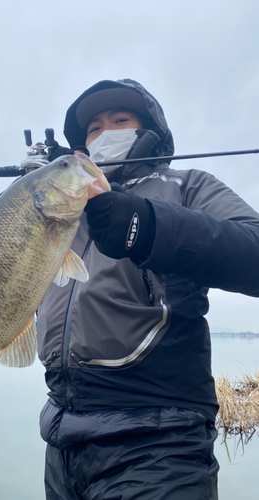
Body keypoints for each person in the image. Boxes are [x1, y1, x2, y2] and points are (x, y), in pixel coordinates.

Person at [36, 79, 259, 500]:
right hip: (62, 438)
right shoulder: (63, 210)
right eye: (94, 128)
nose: (106, 133)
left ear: (150, 130)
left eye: (121, 120)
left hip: (159, 441)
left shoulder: (186, 185)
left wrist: (149, 225)